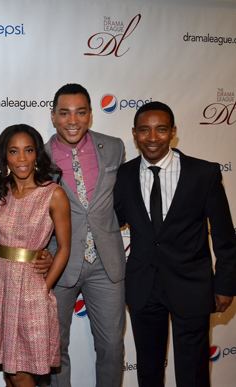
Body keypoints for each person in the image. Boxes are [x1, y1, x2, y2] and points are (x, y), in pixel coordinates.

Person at [114, 101, 236, 387]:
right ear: (134, 134)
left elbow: (224, 237)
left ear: (173, 132)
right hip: (143, 285)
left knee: (193, 371)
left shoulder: (203, 173)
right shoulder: (123, 176)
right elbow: (109, 221)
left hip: (191, 284)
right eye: (144, 130)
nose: (152, 137)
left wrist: (225, 285)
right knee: (148, 369)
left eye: (161, 130)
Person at [46, 83, 126, 387]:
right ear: (53, 116)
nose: (72, 120)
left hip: (106, 265)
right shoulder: (38, 157)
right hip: (59, 264)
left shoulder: (114, 147)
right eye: (64, 113)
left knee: (112, 347)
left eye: (80, 112)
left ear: (90, 115)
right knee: (55, 350)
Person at [0, 124, 71, 387]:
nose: (22, 159)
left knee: (22, 372)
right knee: (10, 373)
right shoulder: (0, 191)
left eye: (28, 150)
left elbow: (65, 247)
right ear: (5, 157)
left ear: (38, 154)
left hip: (31, 289)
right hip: (2, 289)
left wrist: (44, 288)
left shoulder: (53, 194)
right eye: (14, 151)